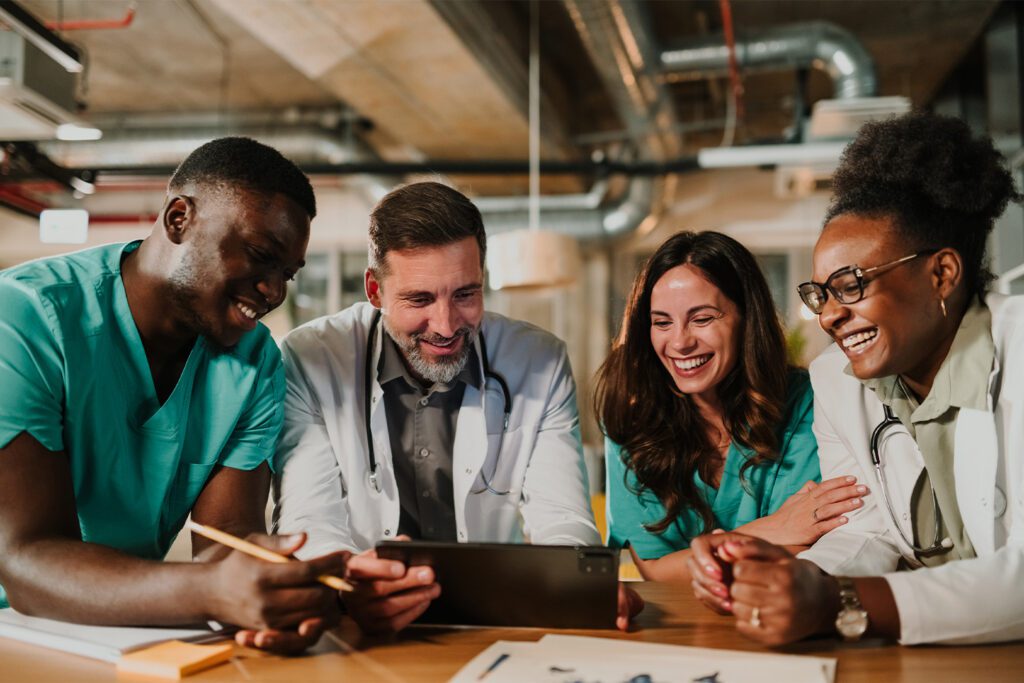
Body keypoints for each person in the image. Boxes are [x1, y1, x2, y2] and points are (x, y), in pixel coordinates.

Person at [0, 137, 399, 655]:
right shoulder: (25, 318)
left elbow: (229, 542)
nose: (275, 292)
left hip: (124, 637)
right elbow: (24, 563)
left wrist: (295, 594)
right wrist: (211, 593)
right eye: (261, 256)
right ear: (179, 219)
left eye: (288, 274)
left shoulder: (255, 362)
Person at [688, 111, 1024, 646]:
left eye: (851, 284)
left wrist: (839, 602)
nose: (827, 316)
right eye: (820, 294)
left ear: (942, 273)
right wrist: (791, 577)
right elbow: (867, 528)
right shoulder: (836, 380)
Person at [273, 181, 641, 633]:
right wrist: (348, 584)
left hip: (497, 620)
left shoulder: (539, 361)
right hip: (360, 623)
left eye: (465, 294)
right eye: (419, 299)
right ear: (374, 290)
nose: (446, 326)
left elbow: (562, 518)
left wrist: (575, 587)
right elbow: (309, 521)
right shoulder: (310, 358)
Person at [595, 231, 864, 584]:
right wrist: (773, 529)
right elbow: (656, 570)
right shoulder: (631, 423)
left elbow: (813, 539)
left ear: (747, 319)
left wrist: (699, 555)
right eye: (662, 322)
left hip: (788, 607)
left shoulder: (810, 405)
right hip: (683, 626)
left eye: (702, 318)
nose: (679, 342)